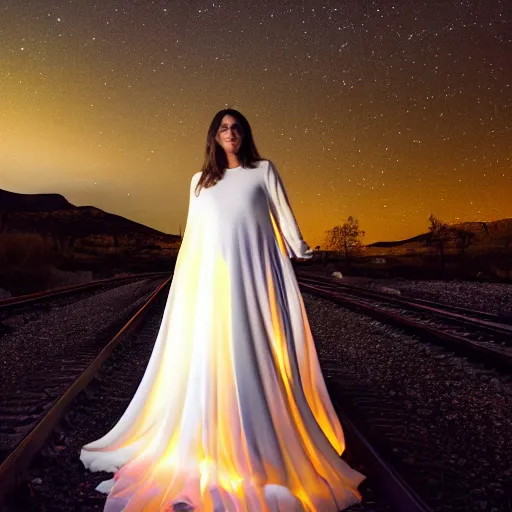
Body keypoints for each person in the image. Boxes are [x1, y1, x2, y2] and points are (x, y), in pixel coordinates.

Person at [80, 108, 365, 511]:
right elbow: (194, 237)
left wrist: (301, 249)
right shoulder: (199, 182)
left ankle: (260, 438)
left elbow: (284, 217)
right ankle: (214, 438)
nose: (230, 133)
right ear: (214, 136)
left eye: (237, 128)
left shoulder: (263, 170)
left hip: (256, 275)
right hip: (216, 281)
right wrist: (187, 286)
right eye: (223, 128)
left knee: (254, 347)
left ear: (244, 134)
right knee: (216, 352)